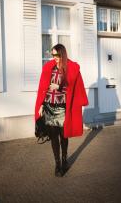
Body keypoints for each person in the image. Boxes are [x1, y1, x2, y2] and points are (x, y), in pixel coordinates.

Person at [35, 44, 89, 177]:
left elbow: (74, 87)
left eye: (57, 55)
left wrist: (59, 87)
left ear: (62, 54)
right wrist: (41, 104)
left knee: (63, 136)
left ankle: (65, 160)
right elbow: (43, 86)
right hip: (49, 106)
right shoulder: (49, 67)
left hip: (63, 108)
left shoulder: (71, 68)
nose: (55, 58)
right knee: (53, 137)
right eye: (53, 55)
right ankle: (57, 164)